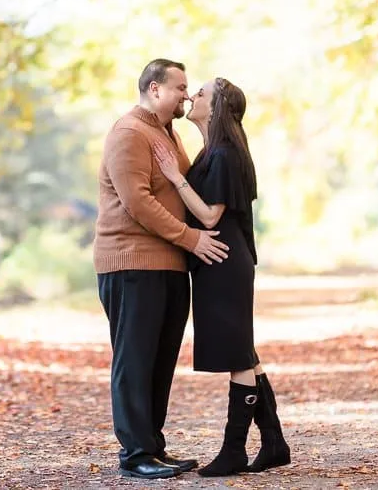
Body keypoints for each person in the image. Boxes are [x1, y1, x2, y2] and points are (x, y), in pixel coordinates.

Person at [94, 59, 230, 480]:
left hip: (168, 265)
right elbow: (137, 203)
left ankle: (152, 446)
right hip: (132, 264)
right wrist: (192, 239)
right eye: (180, 88)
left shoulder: (166, 134)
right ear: (155, 89)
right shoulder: (130, 134)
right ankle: (135, 454)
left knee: (159, 359)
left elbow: (188, 186)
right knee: (135, 360)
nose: (187, 95)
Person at [153, 77, 291, 477]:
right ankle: (273, 441)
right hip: (221, 259)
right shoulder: (213, 151)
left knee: (236, 356)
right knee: (243, 350)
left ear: (216, 108)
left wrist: (173, 177)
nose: (193, 96)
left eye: (201, 94)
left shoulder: (225, 154)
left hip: (224, 260)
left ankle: (234, 451)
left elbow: (211, 215)